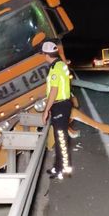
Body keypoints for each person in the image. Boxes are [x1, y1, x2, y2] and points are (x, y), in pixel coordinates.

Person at [41, 41, 73, 180]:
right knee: (60, 137)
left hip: (59, 105)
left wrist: (46, 110)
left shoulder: (55, 69)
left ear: (47, 55)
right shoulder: (61, 64)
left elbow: (54, 91)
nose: (43, 56)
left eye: (43, 54)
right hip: (63, 104)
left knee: (60, 138)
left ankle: (63, 170)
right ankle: (58, 166)